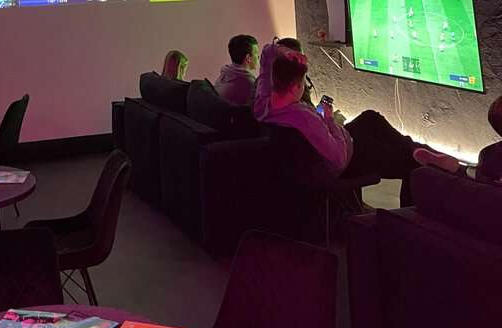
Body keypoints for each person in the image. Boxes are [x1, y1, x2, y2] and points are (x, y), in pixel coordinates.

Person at [256, 41, 459, 205]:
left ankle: (414, 148)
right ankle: (417, 158)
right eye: (303, 84)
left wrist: (286, 52)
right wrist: (330, 121)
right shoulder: (304, 118)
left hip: (334, 145)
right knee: (408, 163)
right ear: (295, 87)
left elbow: (266, 54)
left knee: (370, 117)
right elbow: (338, 157)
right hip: (344, 161)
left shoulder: (263, 105)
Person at [414, 94, 502, 184]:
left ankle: (458, 169)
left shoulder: (488, 154)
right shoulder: (489, 155)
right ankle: (458, 169)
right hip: (487, 180)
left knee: (471, 173)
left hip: (485, 180)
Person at [215, 35, 258, 105]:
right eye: (256, 53)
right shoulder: (249, 83)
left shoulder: (225, 73)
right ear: (248, 58)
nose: (258, 56)